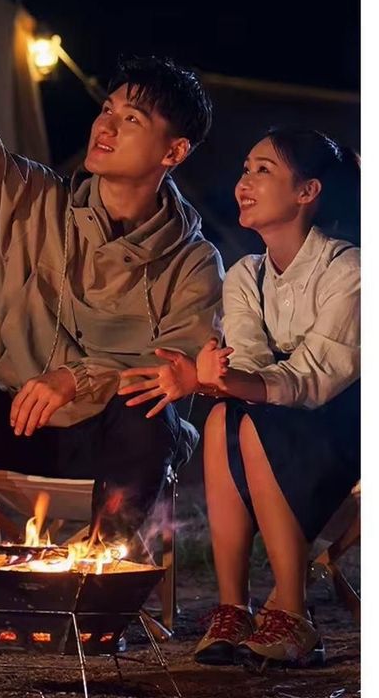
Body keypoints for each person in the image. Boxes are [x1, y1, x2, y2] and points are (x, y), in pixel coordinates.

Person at [0, 0, 223, 553]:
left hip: (111, 448)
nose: (105, 127)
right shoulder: (38, 204)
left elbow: (170, 370)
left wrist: (76, 380)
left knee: (148, 415)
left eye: (132, 120)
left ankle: (102, 569)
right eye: (107, 109)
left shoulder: (193, 260)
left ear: (173, 152)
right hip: (21, 423)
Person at [121, 127, 360, 668]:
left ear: (308, 191)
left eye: (263, 170)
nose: (244, 183)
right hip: (275, 424)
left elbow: (314, 378)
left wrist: (210, 381)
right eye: (245, 169)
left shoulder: (349, 270)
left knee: (247, 418)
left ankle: (293, 614)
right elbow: (246, 363)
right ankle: (233, 608)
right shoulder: (247, 275)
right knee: (223, 418)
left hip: (345, 432)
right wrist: (214, 378)